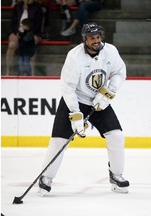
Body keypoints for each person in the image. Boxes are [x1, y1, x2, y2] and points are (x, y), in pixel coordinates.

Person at [37, 22, 130, 196]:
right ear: (84, 39)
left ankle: (116, 175)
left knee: (116, 136)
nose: (96, 41)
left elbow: (120, 72)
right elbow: (68, 87)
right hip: (75, 100)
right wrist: (75, 113)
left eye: (98, 37)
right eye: (92, 38)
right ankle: (46, 177)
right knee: (59, 140)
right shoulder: (74, 57)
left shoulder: (110, 51)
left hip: (98, 99)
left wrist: (109, 91)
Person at [5, 0, 43, 76]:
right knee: (12, 45)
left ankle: (32, 72)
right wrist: (17, 33)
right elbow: (13, 22)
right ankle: (8, 71)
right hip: (17, 32)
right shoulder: (17, 7)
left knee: (32, 42)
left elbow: (38, 24)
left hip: (32, 32)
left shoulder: (37, 7)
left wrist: (28, 33)